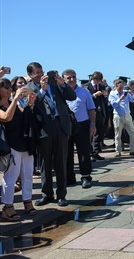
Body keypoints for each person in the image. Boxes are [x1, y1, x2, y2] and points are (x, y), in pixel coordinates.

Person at [26, 62, 77, 207]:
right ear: (30, 75)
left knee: (61, 162)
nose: (41, 74)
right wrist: (42, 90)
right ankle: (47, 194)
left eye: (41, 71)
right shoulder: (29, 88)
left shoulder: (54, 84)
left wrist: (62, 84)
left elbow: (72, 96)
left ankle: (62, 194)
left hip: (60, 126)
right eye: (37, 72)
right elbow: (32, 106)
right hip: (43, 130)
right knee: (45, 163)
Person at [1, 80, 39, 220]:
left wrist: (30, 103)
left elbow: (24, 117)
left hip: (24, 142)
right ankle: (8, 206)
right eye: (4, 86)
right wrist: (15, 99)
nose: (8, 88)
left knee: (27, 174)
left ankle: (27, 201)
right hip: (10, 144)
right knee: (11, 177)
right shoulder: (6, 105)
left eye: (9, 86)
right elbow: (6, 117)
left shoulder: (15, 103)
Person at [63, 69, 96, 189]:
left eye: (74, 77)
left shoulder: (84, 92)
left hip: (82, 125)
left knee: (84, 152)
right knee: (67, 153)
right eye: (69, 78)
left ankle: (86, 177)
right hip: (65, 126)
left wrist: (93, 124)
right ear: (63, 80)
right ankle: (69, 177)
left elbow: (91, 109)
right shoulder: (61, 92)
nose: (72, 79)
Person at [108, 78, 134, 157]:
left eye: (122, 87)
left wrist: (131, 94)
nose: (121, 89)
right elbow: (113, 105)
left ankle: (132, 149)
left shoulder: (125, 93)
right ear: (116, 87)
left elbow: (133, 101)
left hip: (127, 115)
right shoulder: (112, 94)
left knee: (132, 133)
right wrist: (120, 99)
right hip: (118, 115)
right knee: (118, 134)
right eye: (119, 87)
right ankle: (118, 150)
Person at [84, 71, 107, 161]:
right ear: (93, 79)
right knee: (90, 134)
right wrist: (94, 95)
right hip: (90, 112)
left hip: (100, 112)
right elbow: (85, 98)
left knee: (99, 133)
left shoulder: (102, 87)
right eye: (97, 80)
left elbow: (104, 100)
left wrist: (105, 95)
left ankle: (96, 152)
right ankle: (89, 153)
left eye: (100, 81)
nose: (98, 82)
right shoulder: (87, 86)